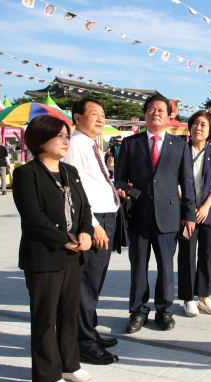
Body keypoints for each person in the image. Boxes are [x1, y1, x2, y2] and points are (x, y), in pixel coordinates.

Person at [12, 115, 94, 382]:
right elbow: (33, 217)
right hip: (45, 255)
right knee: (45, 316)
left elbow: (84, 207)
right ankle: (46, 373)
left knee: (69, 312)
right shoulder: (26, 173)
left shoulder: (70, 171)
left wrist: (85, 231)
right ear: (40, 139)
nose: (65, 140)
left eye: (66, 135)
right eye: (59, 135)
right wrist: (65, 240)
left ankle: (69, 364)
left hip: (74, 255)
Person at [115, 95, 196, 333]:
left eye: (161, 110)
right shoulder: (130, 144)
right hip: (138, 215)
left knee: (165, 266)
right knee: (138, 266)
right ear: (145, 114)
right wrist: (136, 194)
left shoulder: (180, 145)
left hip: (169, 215)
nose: (156, 113)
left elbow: (187, 183)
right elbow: (119, 180)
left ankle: (164, 310)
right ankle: (138, 311)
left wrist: (189, 214)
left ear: (169, 115)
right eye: (151, 109)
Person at [61, 98, 121, 366]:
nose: (100, 119)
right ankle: (83, 342)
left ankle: (89, 331)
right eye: (94, 114)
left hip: (107, 218)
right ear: (77, 117)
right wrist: (93, 224)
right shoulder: (74, 145)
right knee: (86, 284)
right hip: (95, 222)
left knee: (95, 282)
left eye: (102, 114)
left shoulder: (91, 144)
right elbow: (75, 190)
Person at [177, 111, 211, 316]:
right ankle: (188, 299)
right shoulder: (180, 150)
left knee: (207, 254)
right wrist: (189, 209)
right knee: (187, 254)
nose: (198, 127)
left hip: (209, 212)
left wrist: (205, 207)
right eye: (195, 123)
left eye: (203, 125)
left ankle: (204, 297)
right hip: (185, 213)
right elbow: (174, 181)